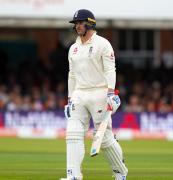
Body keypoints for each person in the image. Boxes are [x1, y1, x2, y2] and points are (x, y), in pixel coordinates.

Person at [61, 9, 128, 180]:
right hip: (79, 94)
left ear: (90, 23)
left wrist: (111, 93)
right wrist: (69, 99)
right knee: (73, 134)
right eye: (76, 23)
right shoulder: (73, 48)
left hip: (99, 92)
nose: (77, 26)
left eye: (80, 22)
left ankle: (120, 172)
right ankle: (73, 176)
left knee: (104, 139)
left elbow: (110, 69)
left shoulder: (102, 44)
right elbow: (72, 75)